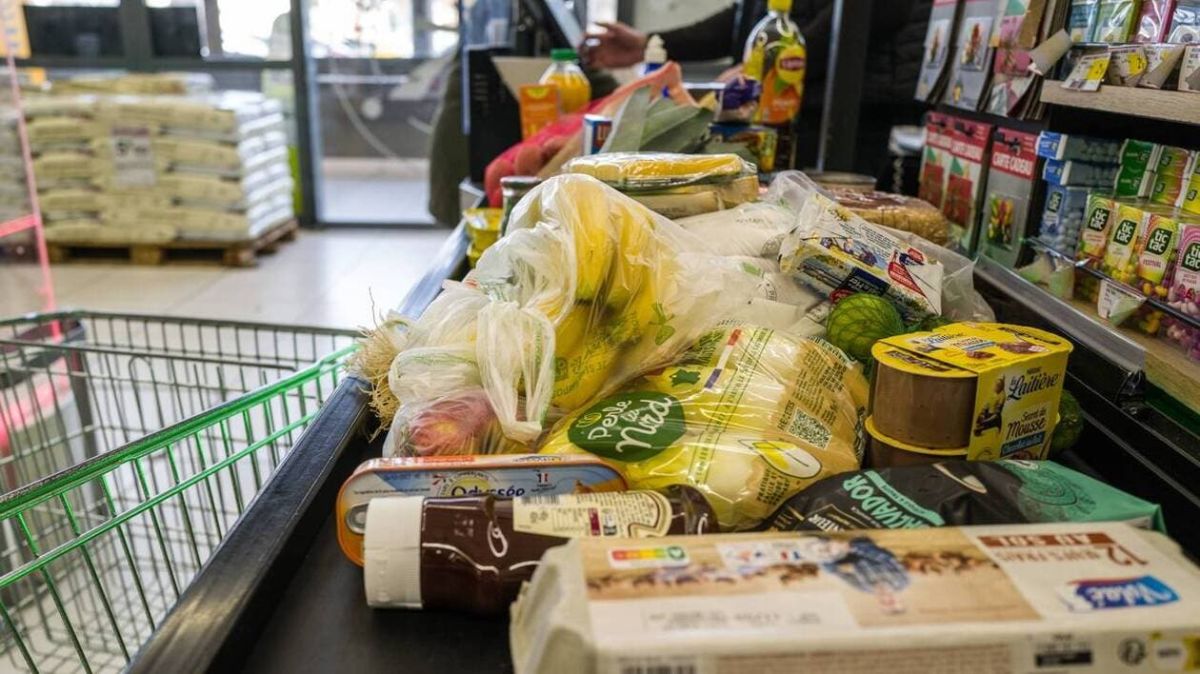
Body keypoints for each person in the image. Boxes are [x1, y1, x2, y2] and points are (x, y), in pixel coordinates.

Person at [582, 0, 930, 179]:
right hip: (776, 114)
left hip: (844, 117)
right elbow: (751, 17)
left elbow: (874, 10)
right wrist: (651, 44)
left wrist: (768, 65)